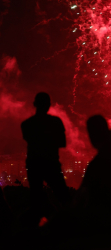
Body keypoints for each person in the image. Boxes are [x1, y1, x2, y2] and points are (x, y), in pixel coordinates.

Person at [21, 92, 69, 221]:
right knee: (63, 197)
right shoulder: (56, 122)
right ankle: (69, 224)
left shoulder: (26, 124)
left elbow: (30, 139)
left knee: (36, 199)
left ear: (35, 104)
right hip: (51, 163)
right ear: (48, 105)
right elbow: (62, 142)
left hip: (34, 164)